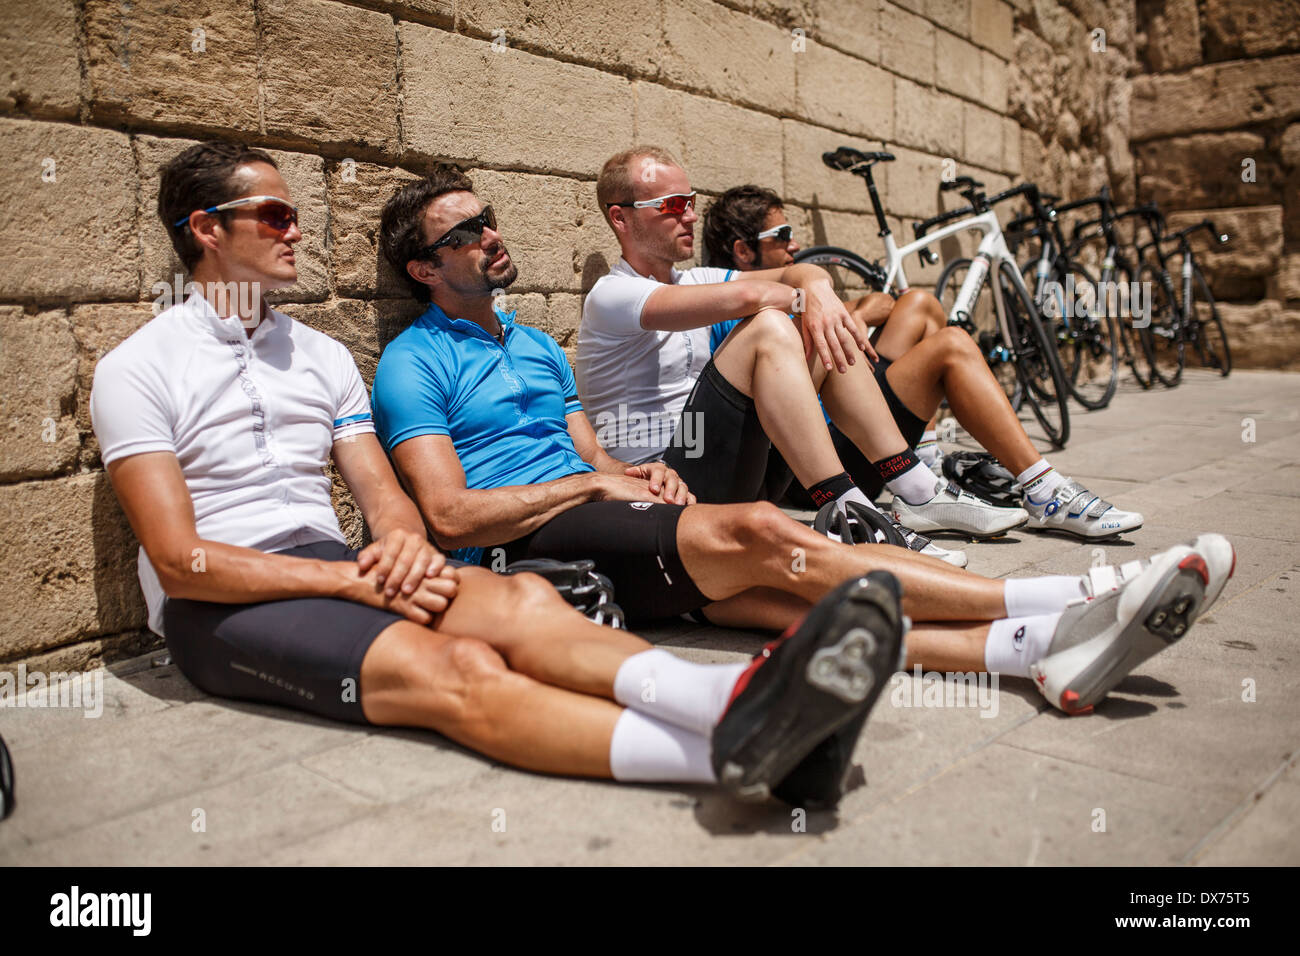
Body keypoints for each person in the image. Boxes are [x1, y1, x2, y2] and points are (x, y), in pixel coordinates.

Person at [90, 141, 920, 809]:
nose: (295, 230)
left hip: (336, 562)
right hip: (219, 601)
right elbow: (176, 561)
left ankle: (741, 699)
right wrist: (347, 585)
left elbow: (388, 500)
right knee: (458, 675)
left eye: (294, 213)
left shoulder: (320, 356)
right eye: (271, 215)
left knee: (525, 600)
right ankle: (724, 754)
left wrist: (402, 550)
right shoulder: (137, 369)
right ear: (204, 230)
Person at [369, 166, 1233, 735]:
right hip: (531, 547)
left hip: (609, 513)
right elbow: (448, 517)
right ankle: (1073, 597)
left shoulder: (534, 345)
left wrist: (633, 473)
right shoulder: (414, 362)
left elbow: (590, 453)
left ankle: (1031, 656)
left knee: (791, 605)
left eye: (487, 219)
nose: (490, 234)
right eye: (466, 233)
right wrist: (586, 491)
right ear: (424, 269)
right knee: (773, 540)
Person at [578, 149, 1142, 544]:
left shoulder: (696, 278)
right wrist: (806, 294)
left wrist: (817, 289)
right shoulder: (614, 294)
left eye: (691, 200)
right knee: (776, 322)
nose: (690, 215)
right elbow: (747, 297)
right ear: (621, 219)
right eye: (672, 204)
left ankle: (966, 488)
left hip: (744, 468)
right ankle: (864, 504)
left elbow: (794, 279)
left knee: (870, 329)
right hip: (665, 481)